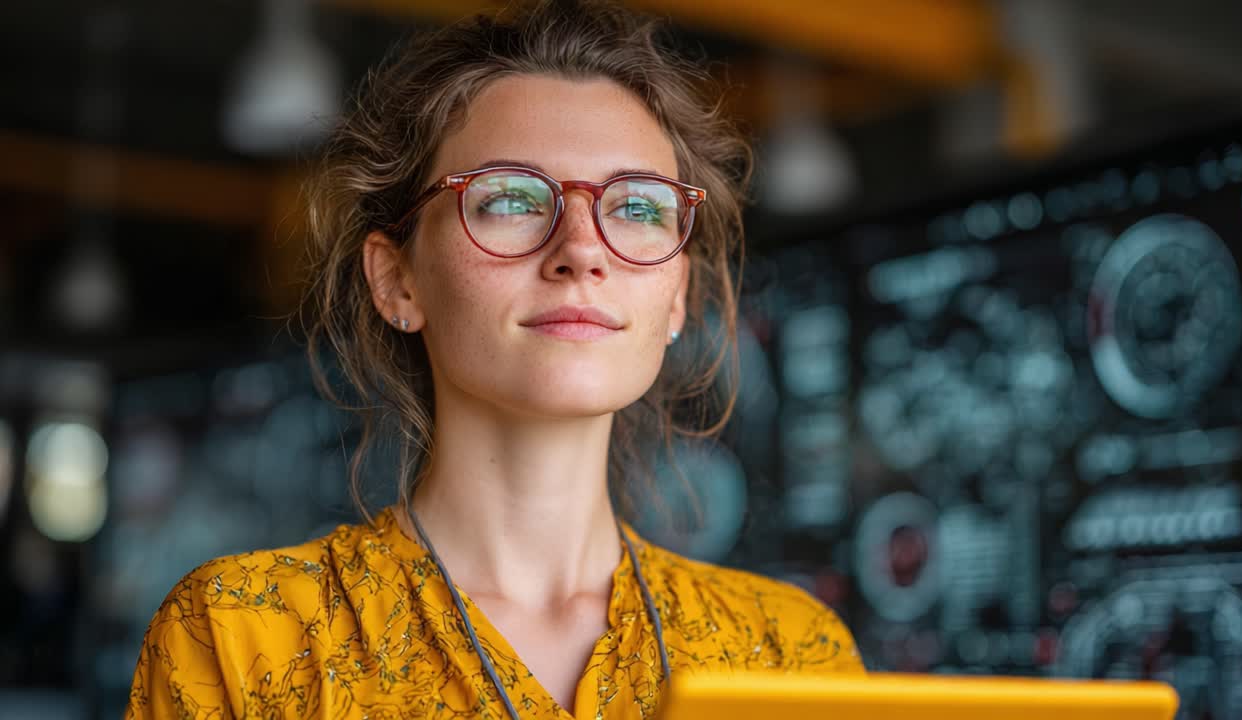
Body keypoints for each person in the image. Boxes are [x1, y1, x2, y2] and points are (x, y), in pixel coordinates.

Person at [126, 1, 864, 717]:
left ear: (676, 298)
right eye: (510, 199)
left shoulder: (789, 652)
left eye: (638, 207)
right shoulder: (240, 635)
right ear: (397, 280)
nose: (581, 249)